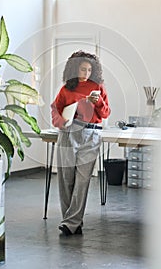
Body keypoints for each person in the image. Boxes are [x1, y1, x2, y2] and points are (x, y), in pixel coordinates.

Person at [51, 50, 111, 236]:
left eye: (89, 70)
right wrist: (61, 122)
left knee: (82, 180)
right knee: (66, 179)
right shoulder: (66, 89)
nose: (86, 73)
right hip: (68, 133)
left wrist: (98, 101)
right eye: (82, 69)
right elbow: (55, 111)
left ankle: (71, 222)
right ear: (74, 69)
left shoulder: (98, 87)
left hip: (91, 135)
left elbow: (105, 113)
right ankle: (71, 222)